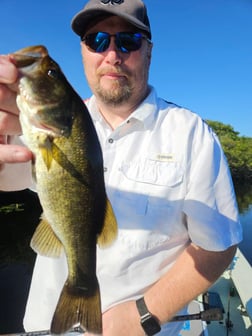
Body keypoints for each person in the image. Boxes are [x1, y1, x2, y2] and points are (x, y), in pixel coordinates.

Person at [0, 0, 243, 335]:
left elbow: (219, 243)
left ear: (149, 52)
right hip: (49, 326)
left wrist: (144, 314)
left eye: (127, 40)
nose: (112, 54)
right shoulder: (40, 127)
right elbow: (7, 175)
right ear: (83, 52)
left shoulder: (191, 134)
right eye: (96, 40)